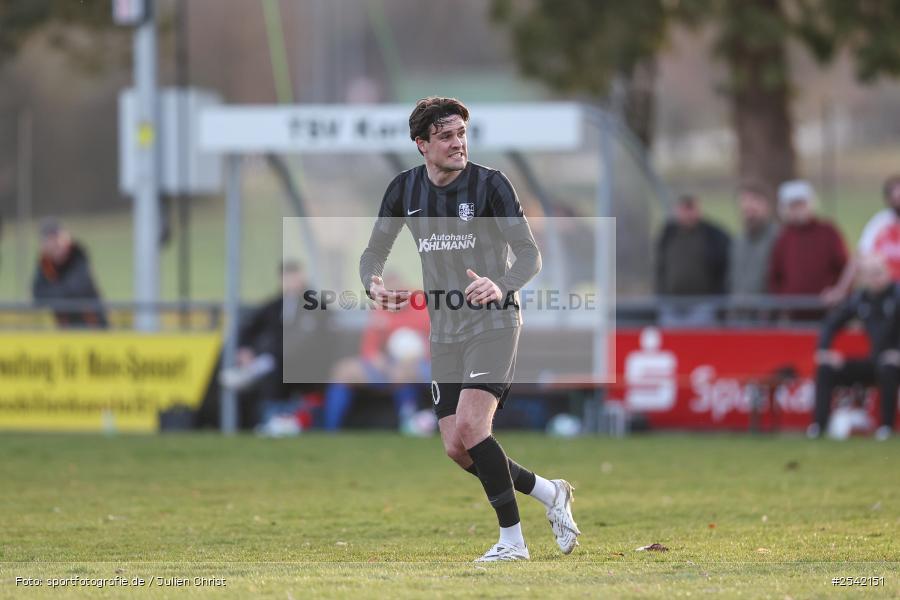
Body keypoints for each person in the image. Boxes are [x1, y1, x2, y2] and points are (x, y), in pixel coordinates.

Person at [358, 97, 579, 562]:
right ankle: (548, 493)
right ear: (421, 144)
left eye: (461, 133)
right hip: (444, 329)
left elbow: (530, 255)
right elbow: (374, 250)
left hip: (493, 321)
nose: (457, 143)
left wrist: (500, 285)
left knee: (473, 425)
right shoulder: (404, 190)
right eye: (445, 136)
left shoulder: (491, 185)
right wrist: (372, 283)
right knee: (457, 447)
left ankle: (513, 544)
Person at [219, 261, 328, 431]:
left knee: (278, 357)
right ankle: (273, 418)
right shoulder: (274, 306)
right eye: (286, 278)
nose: (290, 282)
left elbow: (319, 335)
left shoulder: (314, 304)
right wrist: (245, 350)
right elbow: (248, 329)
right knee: (274, 362)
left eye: (294, 277)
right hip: (280, 362)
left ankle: (258, 369)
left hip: (306, 360)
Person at [322, 274, 431, 433]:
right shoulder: (380, 311)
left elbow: (437, 343)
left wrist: (414, 359)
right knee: (343, 371)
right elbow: (369, 348)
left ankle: (410, 424)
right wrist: (376, 359)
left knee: (402, 374)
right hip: (386, 365)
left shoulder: (422, 309)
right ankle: (329, 430)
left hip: (421, 363)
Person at [813, 253, 899, 441]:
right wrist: (824, 350)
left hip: (894, 362)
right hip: (875, 359)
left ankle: (886, 427)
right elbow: (831, 323)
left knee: (887, 367)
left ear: (888, 272)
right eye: (870, 274)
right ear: (864, 278)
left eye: (878, 272)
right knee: (826, 368)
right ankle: (818, 427)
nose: (875, 278)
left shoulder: (897, 295)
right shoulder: (861, 298)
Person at [768, 180, 847, 316]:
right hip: (794, 314)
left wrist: (838, 291)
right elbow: (775, 276)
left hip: (826, 311)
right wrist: (782, 300)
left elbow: (844, 267)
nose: (797, 209)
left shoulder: (827, 231)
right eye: (792, 205)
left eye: (801, 203)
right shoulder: (783, 237)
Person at [823, 174, 900, 304]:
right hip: (886, 296)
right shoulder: (880, 223)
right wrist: (841, 290)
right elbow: (858, 257)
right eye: (895, 197)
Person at [655, 194, 730, 326]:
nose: (688, 214)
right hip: (672, 306)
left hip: (702, 307)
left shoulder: (712, 235)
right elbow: (660, 268)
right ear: (677, 211)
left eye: (691, 209)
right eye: (684, 209)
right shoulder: (668, 234)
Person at [32, 218, 107, 328]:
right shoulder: (45, 263)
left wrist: (53, 293)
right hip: (65, 328)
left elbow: (77, 289)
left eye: (57, 239)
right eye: (50, 241)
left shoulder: (78, 255)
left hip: (92, 326)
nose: (55, 245)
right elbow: (38, 295)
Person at [730, 182, 779, 297]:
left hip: (767, 311)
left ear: (767, 205)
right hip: (739, 312)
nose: (748, 205)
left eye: (754, 200)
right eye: (744, 200)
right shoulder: (738, 241)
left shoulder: (779, 238)